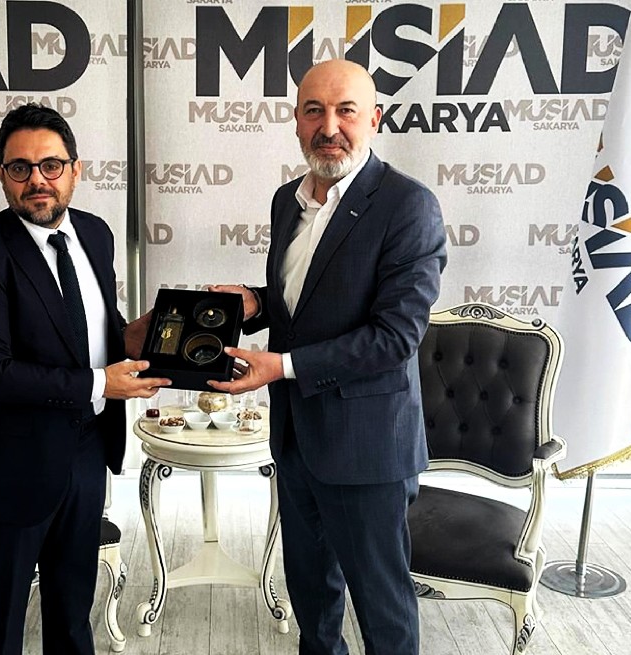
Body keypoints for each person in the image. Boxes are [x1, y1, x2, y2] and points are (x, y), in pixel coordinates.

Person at [208, 59, 446, 655]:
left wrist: (282, 367)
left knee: (382, 613)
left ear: (375, 119)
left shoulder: (408, 206)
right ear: (296, 120)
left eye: (346, 111)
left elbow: (394, 337)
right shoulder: (286, 201)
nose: (329, 126)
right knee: (311, 601)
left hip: (368, 448)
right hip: (296, 440)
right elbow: (305, 302)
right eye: (314, 110)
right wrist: (254, 302)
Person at [0, 103, 168, 655]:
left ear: (75, 169)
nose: (37, 180)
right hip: (10, 467)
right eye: (20, 168)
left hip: (87, 452)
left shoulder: (95, 233)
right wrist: (100, 384)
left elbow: (90, 330)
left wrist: (139, 336)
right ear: (2, 174)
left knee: (72, 617)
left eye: (50, 165)